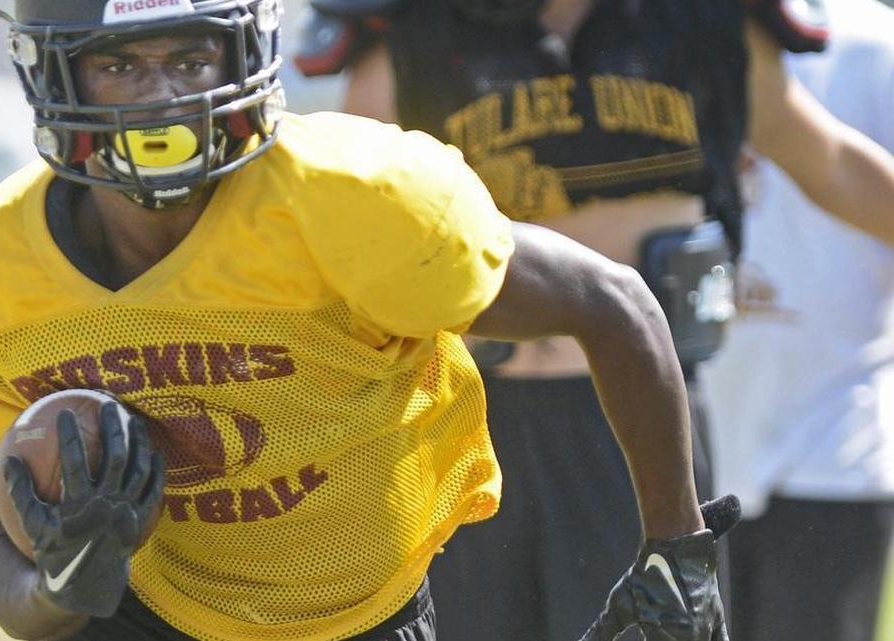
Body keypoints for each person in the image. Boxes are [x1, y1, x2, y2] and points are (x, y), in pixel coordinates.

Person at [0, 1, 737, 641]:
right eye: (120, 64)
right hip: (145, 611)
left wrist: (677, 553)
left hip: (360, 612)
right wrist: (64, 582)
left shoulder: (355, 203)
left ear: (243, 54)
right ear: (55, 74)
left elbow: (616, 304)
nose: (160, 96)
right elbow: (10, 590)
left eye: (190, 57)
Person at [294, 0, 894, 639]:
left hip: (642, 429)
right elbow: (326, 222)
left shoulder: (706, 24)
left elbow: (828, 161)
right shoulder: (411, 31)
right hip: (459, 420)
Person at [699, 0, 894, 638]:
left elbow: (838, 170)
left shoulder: (875, 44)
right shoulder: (643, 29)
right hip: (678, 448)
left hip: (832, 438)